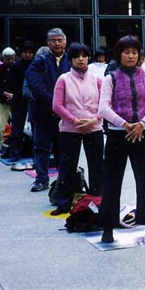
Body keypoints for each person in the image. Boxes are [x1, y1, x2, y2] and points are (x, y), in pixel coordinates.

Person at [98, 36, 145, 243]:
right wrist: (125, 124)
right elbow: (103, 108)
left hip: (141, 133)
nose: (131, 56)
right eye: (126, 52)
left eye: (134, 52)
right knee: (112, 181)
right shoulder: (111, 78)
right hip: (118, 134)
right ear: (119, 55)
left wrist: (143, 123)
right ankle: (108, 228)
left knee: (144, 180)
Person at [51, 43, 103, 214]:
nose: (81, 59)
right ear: (71, 59)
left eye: (84, 56)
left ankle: (97, 201)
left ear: (88, 58)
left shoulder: (97, 79)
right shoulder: (63, 79)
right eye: (76, 56)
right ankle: (63, 203)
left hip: (93, 128)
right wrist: (74, 120)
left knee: (96, 166)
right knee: (67, 166)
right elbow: (57, 105)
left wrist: (94, 120)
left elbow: (105, 104)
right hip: (69, 129)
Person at [26, 29, 71, 192]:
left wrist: (62, 105)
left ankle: (64, 181)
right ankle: (41, 179)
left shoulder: (71, 59)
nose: (57, 43)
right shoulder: (40, 61)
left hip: (66, 113)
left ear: (65, 41)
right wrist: (54, 103)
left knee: (63, 148)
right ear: (48, 43)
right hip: (43, 111)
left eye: (60, 40)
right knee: (41, 147)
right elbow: (35, 84)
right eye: (53, 40)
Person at [6, 42, 34, 164]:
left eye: (30, 52)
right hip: (18, 99)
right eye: (25, 52)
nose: (27, 55)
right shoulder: (15, 66)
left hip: (34, 99)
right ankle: (15, 153)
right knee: (17, 127)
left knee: (36, 127)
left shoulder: (36, 65)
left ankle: (36, 153)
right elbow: (10, 83)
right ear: (20, 53)